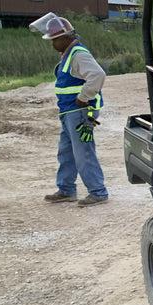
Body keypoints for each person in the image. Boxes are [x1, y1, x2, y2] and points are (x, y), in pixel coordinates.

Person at [29, 13, 109, 207]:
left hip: (80, 111)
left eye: (54, 39)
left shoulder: (78, 54)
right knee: (66, 152)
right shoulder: (68, 55)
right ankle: (66, 190)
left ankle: (98, 192)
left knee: (83, 152)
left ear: (65, 38)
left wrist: (83, 98)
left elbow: (97, 75)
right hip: (69, 112)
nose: (52, 44)